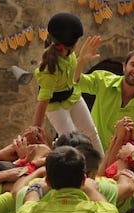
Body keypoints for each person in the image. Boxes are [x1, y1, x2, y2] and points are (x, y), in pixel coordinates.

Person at [32, 12, 104, 155]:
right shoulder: (49, 68)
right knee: (73, 142)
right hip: (55, 106)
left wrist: (82, 60)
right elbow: (43, 101)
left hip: (72, 95)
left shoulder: (69, 56)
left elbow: (73, 79)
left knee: (91, 133)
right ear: (70, 44)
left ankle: (102, 168)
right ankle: (80, 173)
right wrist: (36, 128)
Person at [74, 36, 134, 151]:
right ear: (124, 66)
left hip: (118, 163)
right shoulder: (104, 81)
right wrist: (81, 60)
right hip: (90, 152)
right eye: (133, 65)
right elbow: (74, 80)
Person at [15, 145, 121, 213]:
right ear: (84, 180)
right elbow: (109, 209)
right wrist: (91, 189)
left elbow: (29, 201)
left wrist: (36, 187)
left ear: (48, 182)